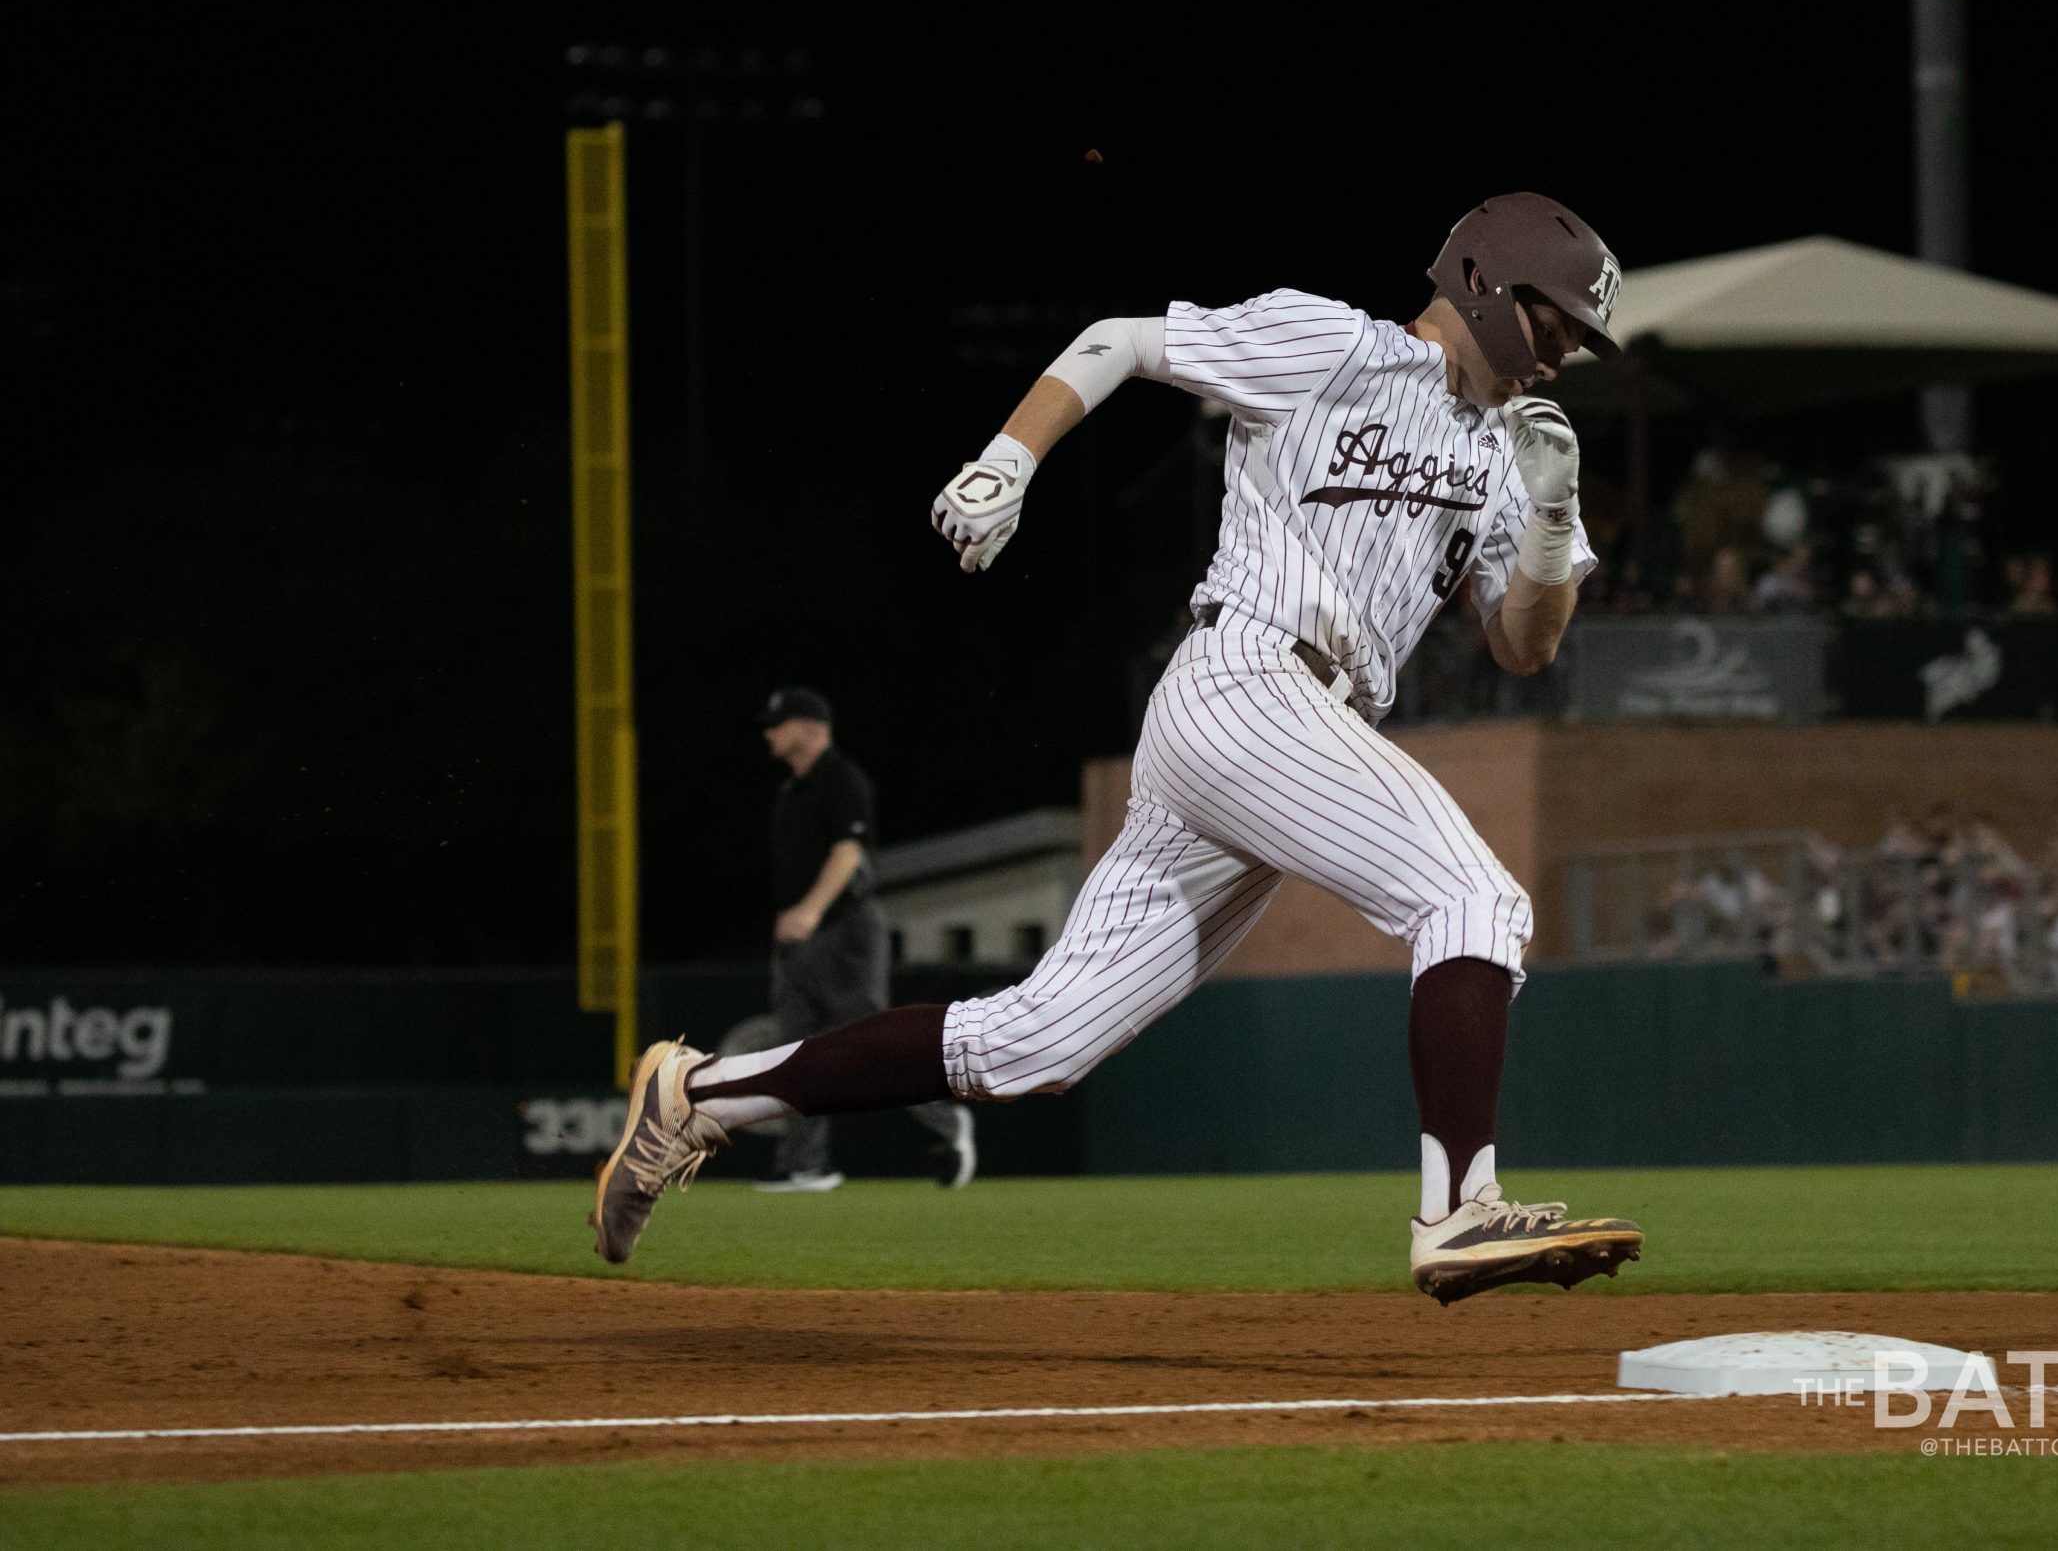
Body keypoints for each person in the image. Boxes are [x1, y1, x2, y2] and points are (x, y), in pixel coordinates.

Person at [591, 194, 1644, 1303]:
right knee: (1473, 899)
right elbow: (1121, 345)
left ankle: (702, 1094)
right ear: (1483, 280)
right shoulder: (1337, 343)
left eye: (1578, 336)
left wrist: (1545, 518)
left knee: (1032, 1044)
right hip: (1245, 680)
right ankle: (1459, 1211)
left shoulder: (1509, 453)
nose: (1565, 353)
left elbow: (1524, 648)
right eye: (1557, 322)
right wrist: (1011, 457)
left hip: (1294, 734)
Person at [752, 687, 976, 1194]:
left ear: (808, 727)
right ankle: (805, 1165)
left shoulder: (841, 778)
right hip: (798, 941)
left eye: (777, 723)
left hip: (845, 930)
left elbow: (849, 852)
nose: (768, 733)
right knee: (795, 1054)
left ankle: (947, 1124)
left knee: (872, 1048)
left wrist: (809, 910)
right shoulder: (791, 791)